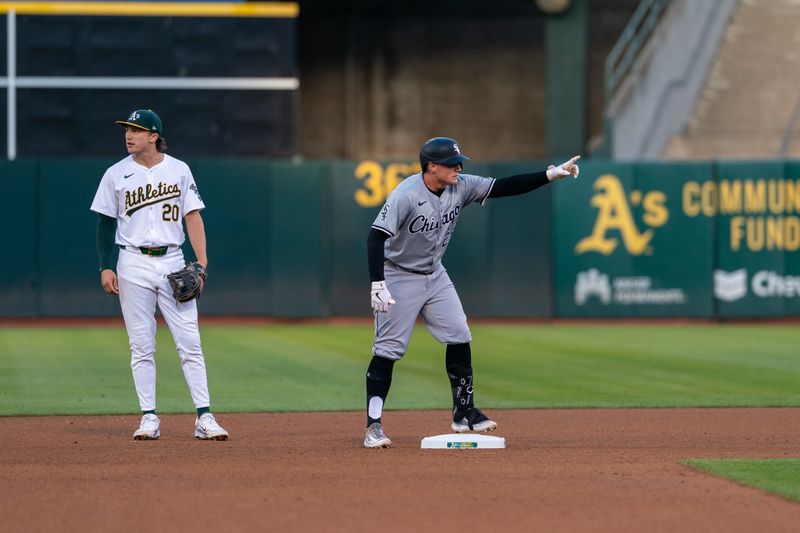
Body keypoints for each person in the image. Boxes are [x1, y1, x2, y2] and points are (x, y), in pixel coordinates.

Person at [363, 137, 579, 448]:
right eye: (451, 163)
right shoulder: (406, 195)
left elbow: (504, 186)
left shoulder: (461, 185)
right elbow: (375, 237)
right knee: (387, 351)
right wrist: (377, 282)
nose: (458, 167)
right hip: (399, 276)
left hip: (435, 274)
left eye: (459, 161)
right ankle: (373, 427)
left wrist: (549, 175)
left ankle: (464, 412)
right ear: (431, 166)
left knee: (459, 334)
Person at [90, 109, 229, 441]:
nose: (128, 135)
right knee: (141, 345)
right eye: (126, 129)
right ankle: (149, 417)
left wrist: (202, 262)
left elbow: (193, 216)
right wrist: (105, 264)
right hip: (132, 262)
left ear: (153, 136)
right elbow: (105, 222)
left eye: (136, 130)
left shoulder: (179, 169)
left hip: (172, 261)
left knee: (190, 343)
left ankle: (204, 417)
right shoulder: (115, 174)